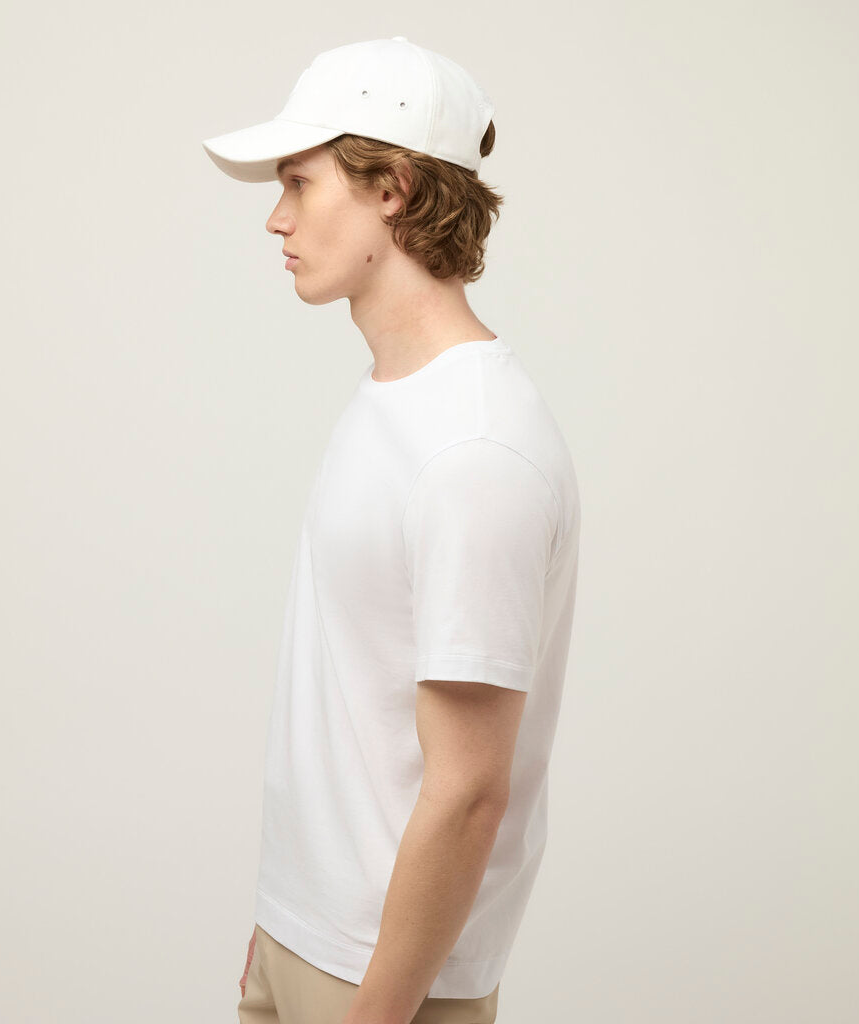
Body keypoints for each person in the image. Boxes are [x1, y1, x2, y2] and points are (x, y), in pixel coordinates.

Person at [202, 35, 581, 1024]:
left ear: (394, 189)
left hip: (383, 987)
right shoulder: (395, 400)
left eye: (298, 182)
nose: (277, 218)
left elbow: (468, 794)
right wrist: (282, 922)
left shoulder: (476, 450)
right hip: (301, 945)